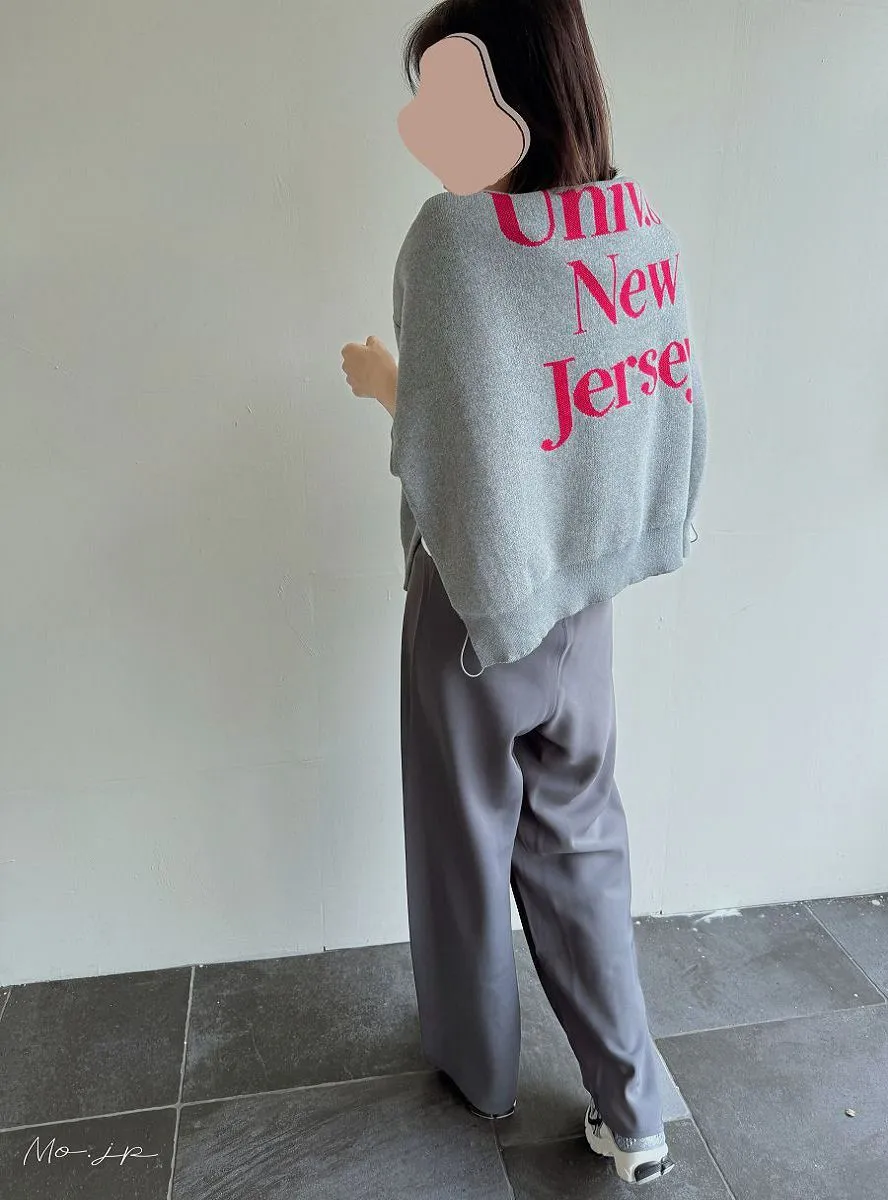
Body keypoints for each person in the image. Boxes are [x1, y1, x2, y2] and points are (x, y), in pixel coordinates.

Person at [342, 0, 708, 1186]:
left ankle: (479, 1068)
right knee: (583, 840)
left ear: (510, 97)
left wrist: (385, 381)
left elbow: (452, 442)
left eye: (444, 95)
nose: (423, 125)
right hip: (584, 599)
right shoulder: (634, 227)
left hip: (473, 604)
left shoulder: (454, 239)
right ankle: (635, 1110)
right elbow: (642, 406)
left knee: (462, 843)